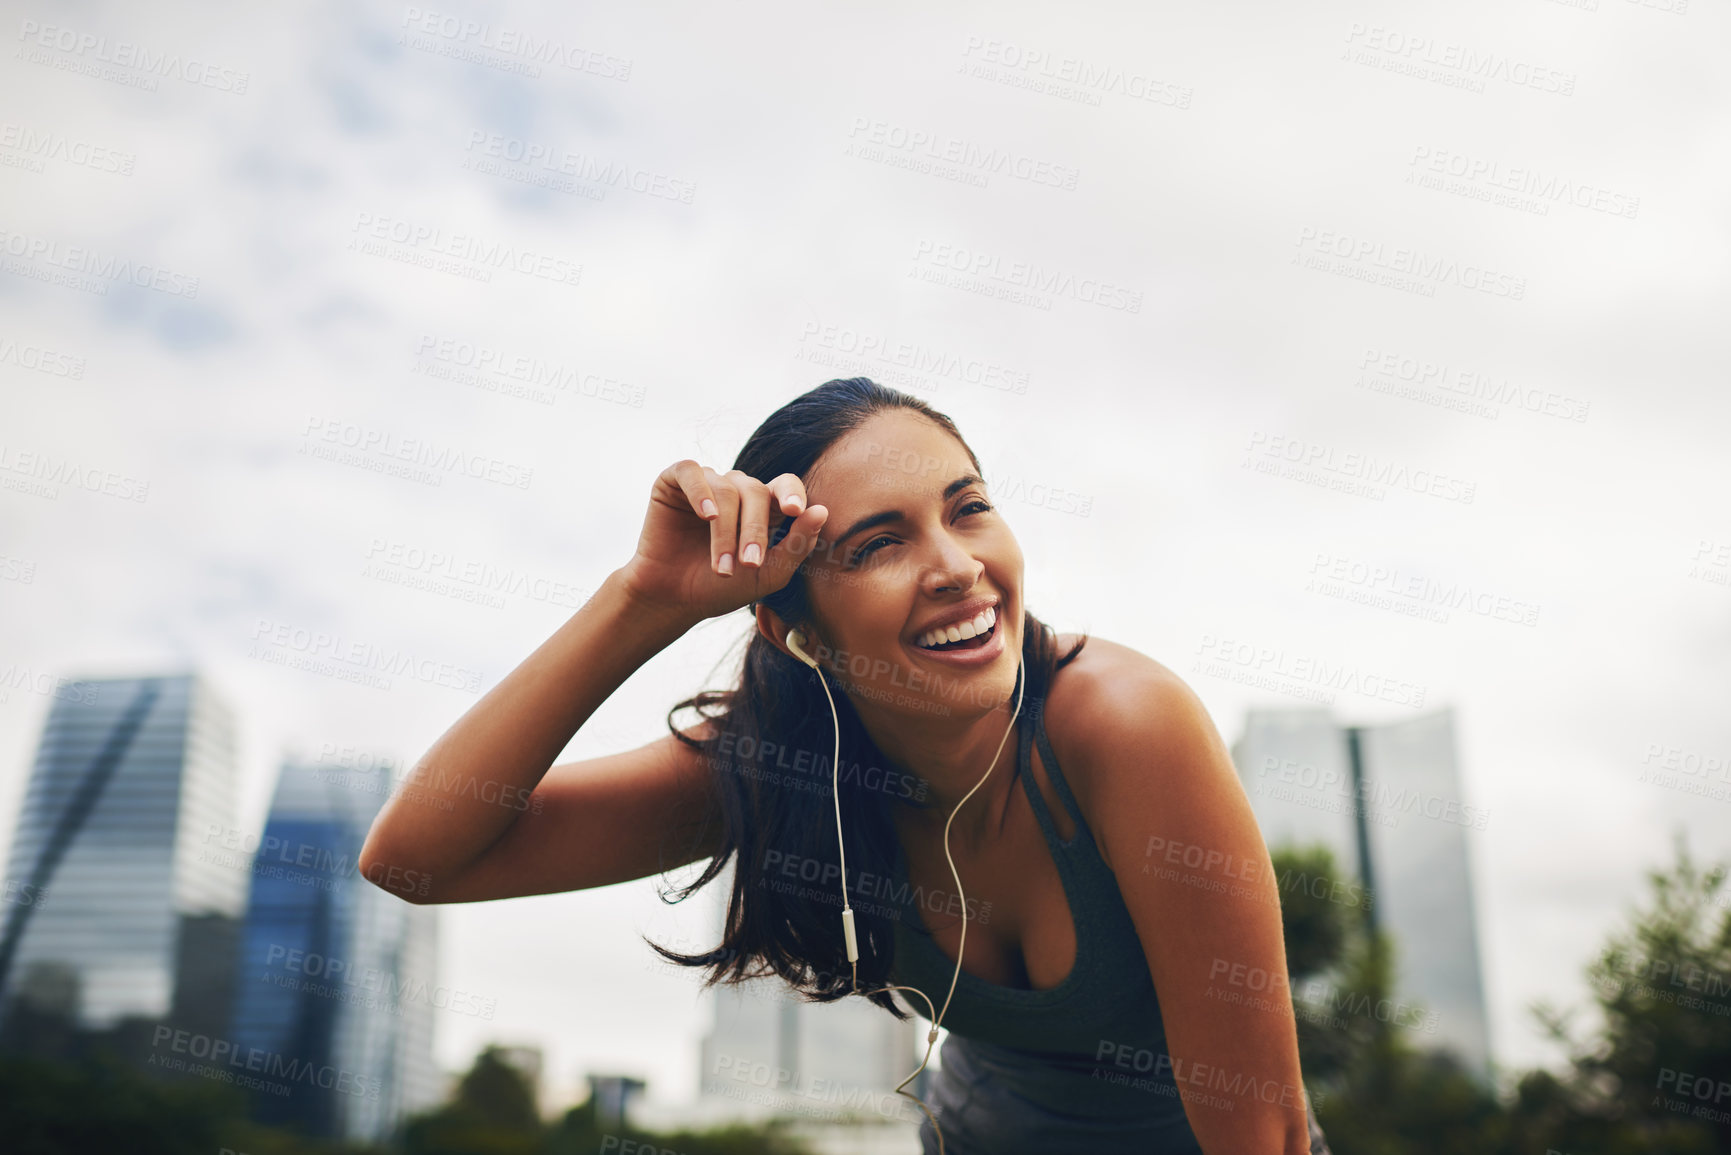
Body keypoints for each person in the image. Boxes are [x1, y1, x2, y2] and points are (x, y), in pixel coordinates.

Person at [360, 377, 1332, 1154]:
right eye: (879, 545)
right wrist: (646, 599)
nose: (956, 566)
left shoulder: (1123, 726)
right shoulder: (777, 758)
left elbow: (1266, 1134)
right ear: (797, 632)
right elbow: (416, 861)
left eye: (970, 508)